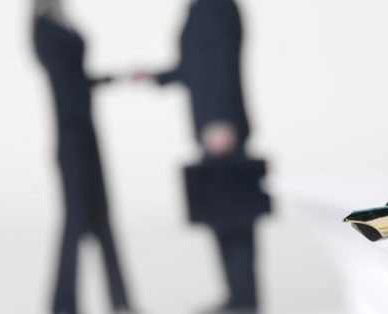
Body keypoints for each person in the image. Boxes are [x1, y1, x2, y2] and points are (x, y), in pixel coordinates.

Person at [135, 0, 264, 313]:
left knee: (234, 217)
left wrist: (221, 122)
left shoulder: (215, 6)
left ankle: (244, 300)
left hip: (221, 127)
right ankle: (238, 296)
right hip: (212, 126)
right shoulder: (200, 7)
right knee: (221, 215)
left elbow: (222, 62)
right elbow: (195, 66)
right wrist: (156, 77)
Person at [33, 0, 132, 313]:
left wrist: (109, 79)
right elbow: (67, 85)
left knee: (103, 220)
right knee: (75, 221)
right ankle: (63, 305)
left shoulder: (61, 23)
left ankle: (120, 300)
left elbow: (79, 78)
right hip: (70, 136)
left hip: (87, 133)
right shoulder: (43, 29)